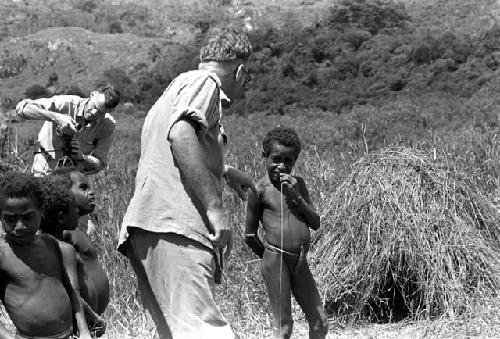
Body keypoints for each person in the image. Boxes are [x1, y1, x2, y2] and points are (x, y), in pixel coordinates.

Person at [118, 27, 255, 339]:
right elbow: (181, 134)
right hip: (175, 225)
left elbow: (172, 147)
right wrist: (214, 207)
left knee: (175, 331)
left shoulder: (173, 89)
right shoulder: (206, 83)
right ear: (241, 70)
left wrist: (226, 171)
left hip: (149, 225)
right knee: (204, 332)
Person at [244, 127, 328, 339]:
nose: (282, 166)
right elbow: (250, 235)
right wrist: (270, 257)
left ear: (295, 161)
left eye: (288, 161)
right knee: (284, 327)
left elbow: (315, 222)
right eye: (276, 159)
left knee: (320, 322)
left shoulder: (298, 184)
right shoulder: (259, 190)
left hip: (299, 260)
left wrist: (296, 196)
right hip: (276, 259)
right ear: (264, 155)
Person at [0, 172, 91, 339]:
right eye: (10, 219)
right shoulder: (3, 255)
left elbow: (71, 292)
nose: (19, 226)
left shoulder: (51, 244)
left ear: (40, 211)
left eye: (27, 217)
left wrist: (84, 331)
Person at [39, 174, 106, 337]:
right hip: (77, 321)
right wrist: (90, 316)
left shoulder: (74, 231)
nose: (91, 192)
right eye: (83, 187)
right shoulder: (59, 240)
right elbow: (71, 291)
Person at [15, 85, 121, 176]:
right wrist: (56, 117)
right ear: (93, 94)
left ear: (110, 111)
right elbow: (22, 109)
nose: (93, 113)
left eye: (100, 112)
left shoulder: (108, 125)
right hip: (45, 170)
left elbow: (100, 163)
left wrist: (82, 157)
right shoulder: (66, 103)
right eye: (94, 106)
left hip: (74, 180)